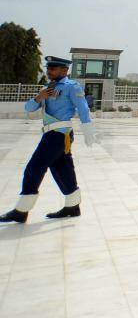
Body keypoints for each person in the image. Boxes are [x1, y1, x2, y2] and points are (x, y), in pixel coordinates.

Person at [1, 56, 100, 223]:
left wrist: (88, 130)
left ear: (64, 70)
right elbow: (29, 108)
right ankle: (72, 206)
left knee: (34, 167)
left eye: (53, 68)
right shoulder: (47, 88)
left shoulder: (71, 86)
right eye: (48, 68)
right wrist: (39, 98)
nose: (49, 71)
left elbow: (83, 108)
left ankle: (22, 210)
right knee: (62, 168)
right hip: (51, 133)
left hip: (59, 134)